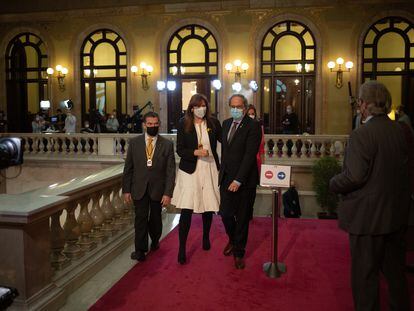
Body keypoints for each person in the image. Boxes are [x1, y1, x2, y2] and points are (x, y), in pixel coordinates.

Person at [329, 81, 411, 311]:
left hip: (367, 218)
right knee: (396, 275)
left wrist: (333, 183)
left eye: (359, 103)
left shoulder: (362, 134)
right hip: (395, 214)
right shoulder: (400, 130)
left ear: (364, 105)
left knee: (365, 278)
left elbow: (354, 176)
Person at [172, 93, 222, 264]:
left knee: (208, 205)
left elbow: (225, 141)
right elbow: (179, 149)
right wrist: (195, 152)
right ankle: (182, 248)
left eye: (204, 105)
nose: (202, 109)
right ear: (192, 108)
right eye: (198, 106)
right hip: (190, 170)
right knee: (187, 208)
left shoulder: (213, 123)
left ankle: (206, 237)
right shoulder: (183, 123)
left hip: (209, 168)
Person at [122, 111, 176, 262]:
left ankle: (155, 239)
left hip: (158, 189)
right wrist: (126, 190)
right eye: (150, 124)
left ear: (159, 124)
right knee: (140, 218)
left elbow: (170, 172)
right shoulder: (134, 143)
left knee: (155, 219)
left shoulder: (167, 144)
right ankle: (140, 250)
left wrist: (168, 193)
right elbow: (128, 168)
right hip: (138, 188)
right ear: (144, 125)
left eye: (155, 124)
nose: (153, 126)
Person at [219, 94, 261, 269]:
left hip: (244, 181)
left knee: (242, 218)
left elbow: (249, 156)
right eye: (232, 106)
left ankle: (239, 253)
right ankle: (233, 239)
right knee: (225, 213)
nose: (235, 109)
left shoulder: (253, 126)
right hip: (226, 178)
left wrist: (238, 180)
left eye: (239, 106)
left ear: (245, 107)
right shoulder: (226, 123)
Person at [246, 104, 265, 220]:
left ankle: (250, 212)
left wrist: (263, 165)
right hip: (244, 161)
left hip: (256, 161)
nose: (251, 116)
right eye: (249, 114)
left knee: (252, 188)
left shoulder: (259, 127)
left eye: (253, 114)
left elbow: (262, 148)